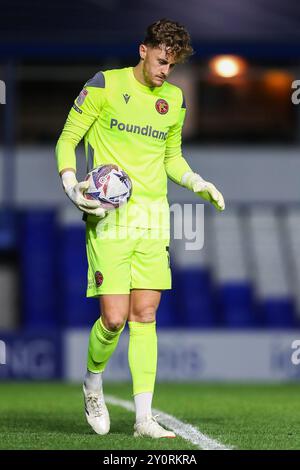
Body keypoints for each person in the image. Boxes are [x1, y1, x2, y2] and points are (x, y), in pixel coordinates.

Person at [55, 18, 225, 439]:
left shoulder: (174, 99)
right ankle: (93, 384)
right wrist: (70, 184)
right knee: (113, 320)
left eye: (173, 64)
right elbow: (66, 139)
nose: (166, 70)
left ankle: (144, 419)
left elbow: (172, 159)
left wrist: (196, 181)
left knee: (145, 314)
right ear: (143, 50)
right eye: (162, 60)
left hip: (153, 219)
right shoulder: (103, 86)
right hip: (109, 219)